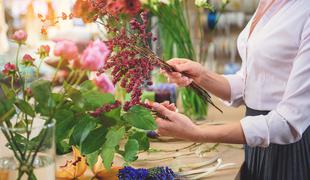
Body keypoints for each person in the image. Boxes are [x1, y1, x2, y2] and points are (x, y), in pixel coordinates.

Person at [149, 0, 310, 179]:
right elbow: (253, 82)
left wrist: (196, 132)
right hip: (255, 145)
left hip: (288, 151)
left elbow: (289, 123)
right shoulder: (268, 3)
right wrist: (202, 76)